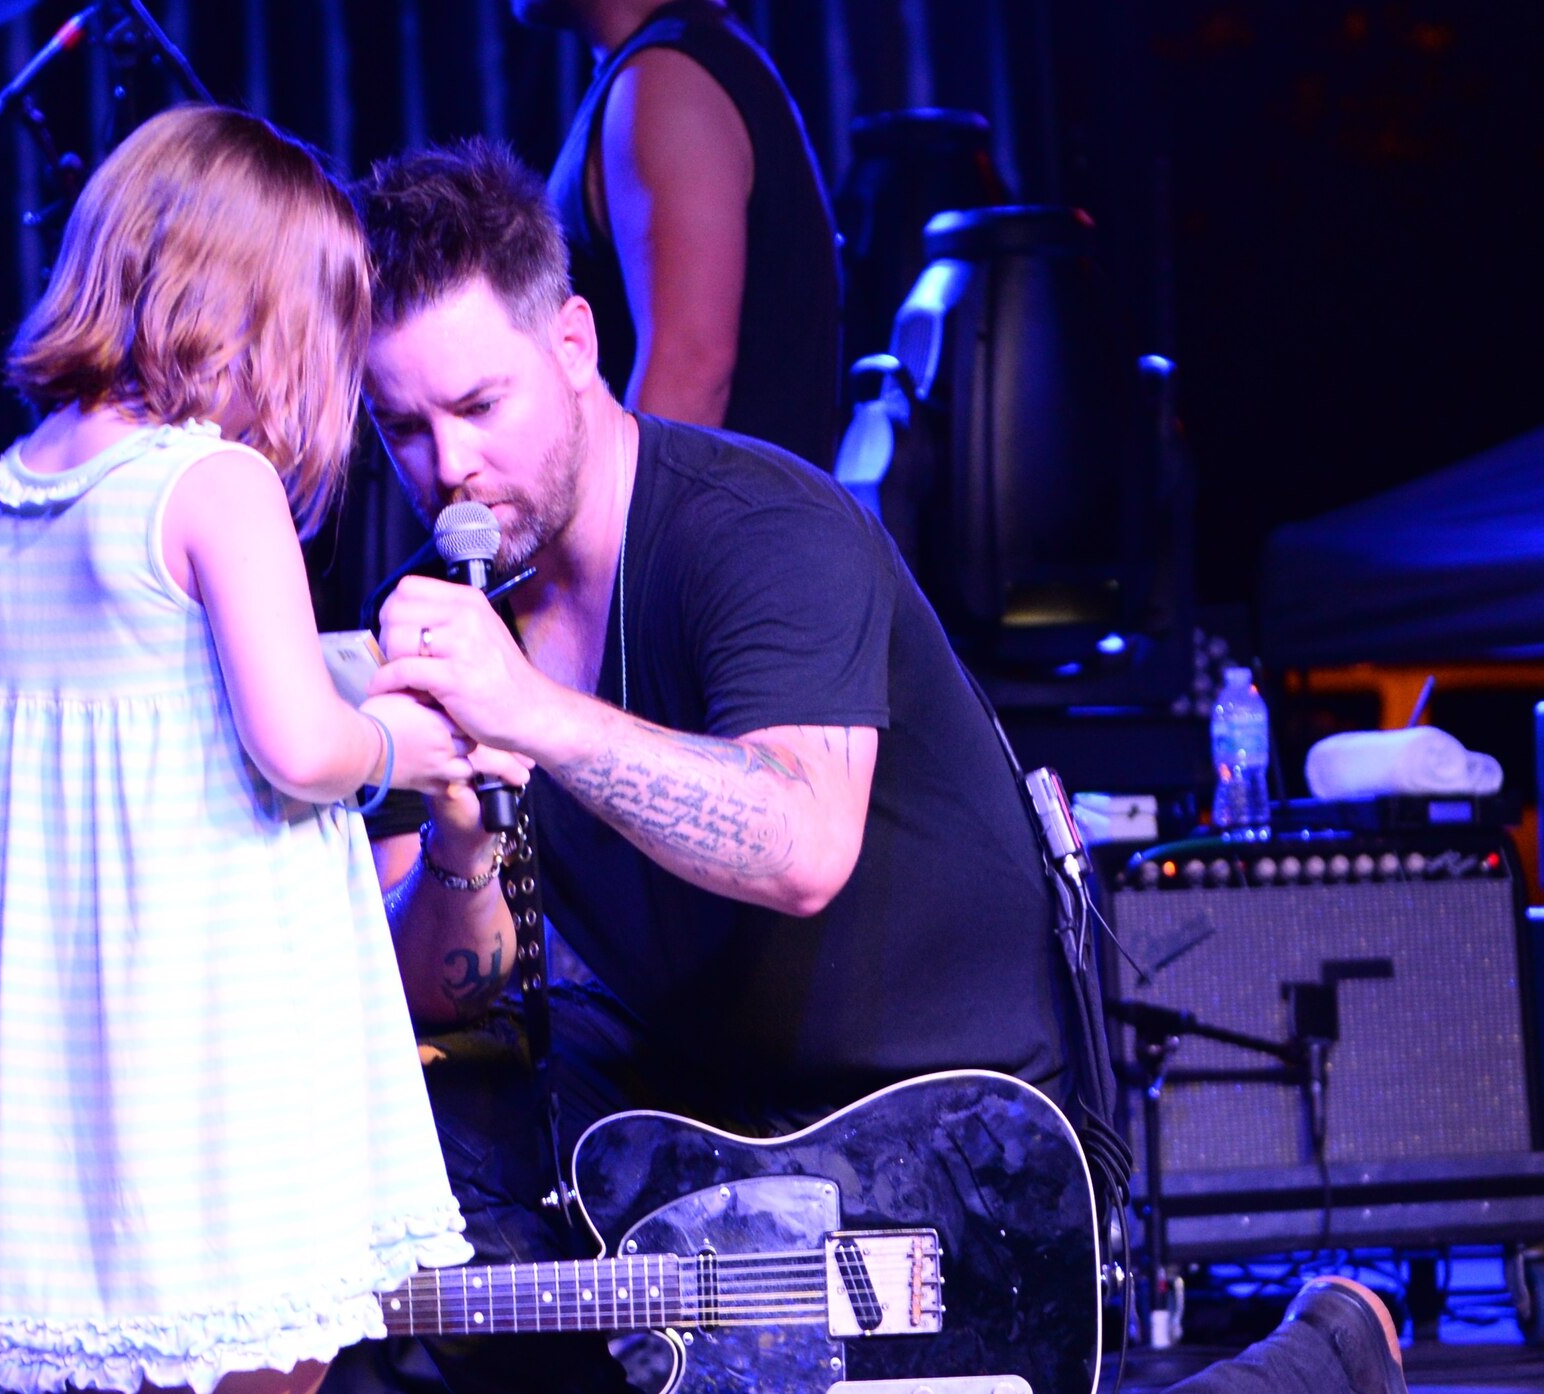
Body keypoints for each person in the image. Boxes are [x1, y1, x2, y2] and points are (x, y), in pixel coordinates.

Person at [329, 141, 1410, 1394]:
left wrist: (534, 715)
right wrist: (460, 835)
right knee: (420, 1137)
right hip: (686, 1130)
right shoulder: (445, 613)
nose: (447, 465)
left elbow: (801, 846)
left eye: (478, 406)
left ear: (573, 344)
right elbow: (438, 988)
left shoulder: (756, 529)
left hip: (941, 1143)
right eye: (401, 426)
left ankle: (1325, 1356)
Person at [0, 105, 475, 1394]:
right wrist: (403, 741)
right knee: (269, 1345)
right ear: (256, 316)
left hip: (78, 1026)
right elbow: (298, 747)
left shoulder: (13, 493)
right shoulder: (214, 483)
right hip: (217, 1011)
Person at [528, 0, 841, 469]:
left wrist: (632, 518)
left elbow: (691, 371)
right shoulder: (667, 68)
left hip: (718, 515)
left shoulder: (667, 82)